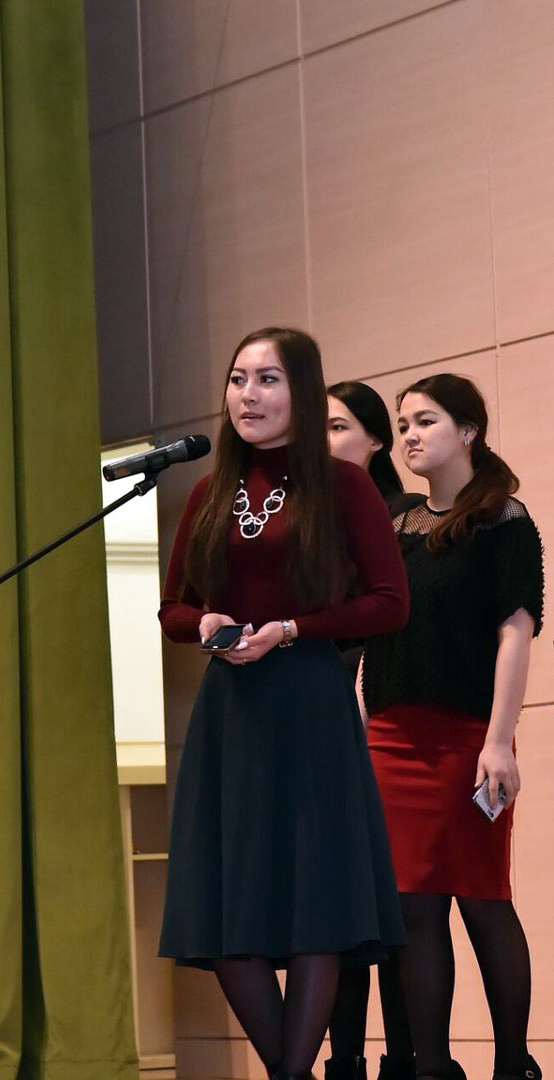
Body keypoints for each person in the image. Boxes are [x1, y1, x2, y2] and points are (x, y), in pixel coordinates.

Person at [158, 328, 410, 1080]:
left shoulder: (345, 487)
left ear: (302, 391)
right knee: (227, 916)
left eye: (267, 380)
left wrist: (293, 629)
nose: (248, 395)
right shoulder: (208, 493)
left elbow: (390, 603)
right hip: (230, 715)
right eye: (238, 378)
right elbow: (173, 609)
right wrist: (205, 622)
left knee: (313, 911)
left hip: (310, 707)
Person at [360, 374, 544, 1080]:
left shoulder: (505, 519)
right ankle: (433, 1068)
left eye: (426, 421)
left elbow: (515, 633)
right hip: (390, 740)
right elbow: (377, 632)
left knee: (483, 898)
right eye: (404, 424)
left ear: (468, 431)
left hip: (467, 739)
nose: (409, 435)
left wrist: (498, 741)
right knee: (413, 909)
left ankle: (513, 1065)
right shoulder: (397, 527)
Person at [325, 382, 421, 1080]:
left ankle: (405, 1058)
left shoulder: (404, 518)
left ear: (376, 440)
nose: (322, 441)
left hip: (382, 718)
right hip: (321, 723)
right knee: (342, 906)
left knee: (394, 904)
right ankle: (346, 1059)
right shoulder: (307, 520)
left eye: (337, 427)